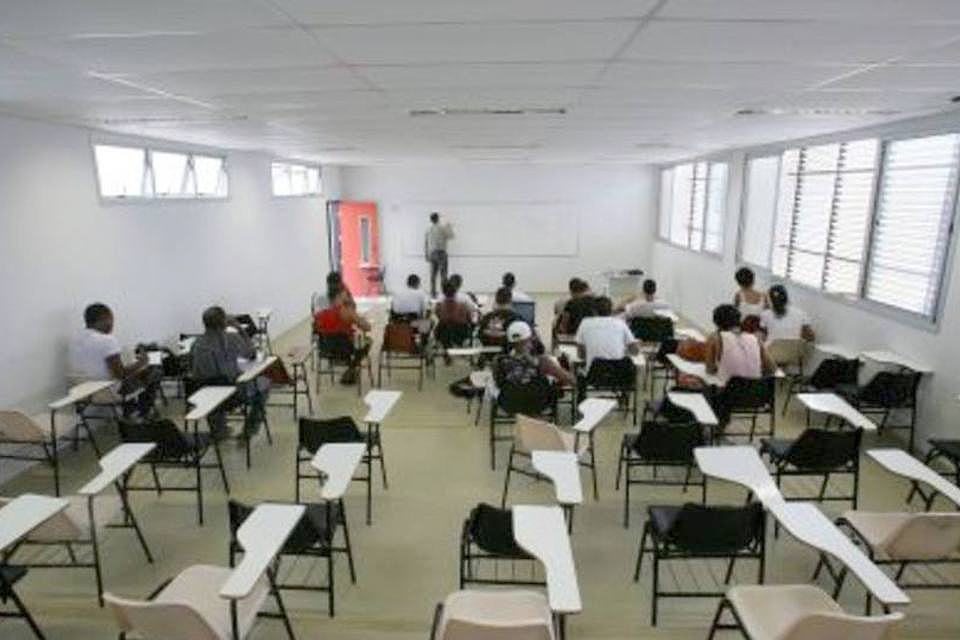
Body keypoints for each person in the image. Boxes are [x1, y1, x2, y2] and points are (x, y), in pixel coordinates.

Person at [67, 302, 159, 417]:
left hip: (80, 391)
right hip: (107, 391)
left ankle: (132, 409)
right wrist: (142, 362)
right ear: (104, 319)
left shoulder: (74, 340)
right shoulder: (107, 340)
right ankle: (142, 414)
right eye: (111, 319)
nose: (112, 324)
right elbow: (120, 374)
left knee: (134, 375)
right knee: (154, 372)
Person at [191, 306, 261, 439]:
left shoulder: (196, 344)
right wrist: (240, 328)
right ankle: (249, 430)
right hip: (231, 395)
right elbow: (251, 354)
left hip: (203, 395)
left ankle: (219, 429)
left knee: (213, 382)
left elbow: (195, 371)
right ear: (224, 322)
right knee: (263, 386)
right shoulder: (232, 338)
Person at [493, 321, 575, 417]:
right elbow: (570, 380)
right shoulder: (543, 361)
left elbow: (498, 383)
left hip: (509, 404)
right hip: (538, 405)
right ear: (531, 338)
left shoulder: (499, 361)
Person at [313, 278, 372, 385]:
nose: (347, 295)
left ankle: (349, 371)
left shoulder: (318, 315)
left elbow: (317, 333)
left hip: (326, 351)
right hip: (346, 351)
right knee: (369, 341)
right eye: (345, 293)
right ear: (338, 296)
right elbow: (367, 327)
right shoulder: (346, 312)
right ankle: (351, 369)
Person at [705, 304, 776, 386]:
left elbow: (710, 369)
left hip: (731, 389)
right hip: (755, 388)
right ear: (739, 320)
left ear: (716, 323)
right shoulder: (755, 339)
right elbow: (771, 368)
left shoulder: (715, 338)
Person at [435, 279, 474, 358]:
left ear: (443, 292)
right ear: (455, 291)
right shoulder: (463, 305)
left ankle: (446, 348)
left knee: (442, 328)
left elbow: (439, 316)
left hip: (444, 333)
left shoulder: (439, 306)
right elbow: (470, 318)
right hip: (461, 333)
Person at [425, 212, 454, 297]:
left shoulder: (428, 229)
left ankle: (433, 293)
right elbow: (451, 236)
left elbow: (426, 243)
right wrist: (449, 227)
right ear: (438, 218)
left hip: (432, 253)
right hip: (441, 253)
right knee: (443, 274)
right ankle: (444, 293)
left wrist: (426, 254)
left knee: (433, 275)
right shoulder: (442, 228)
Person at [733, 267, 768, 332]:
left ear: (738, 282)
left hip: (743, 333)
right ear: (753, 280)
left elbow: (735, 317)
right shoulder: (764, 297)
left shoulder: (738, 296)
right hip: (759, 333)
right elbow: (768, 317)